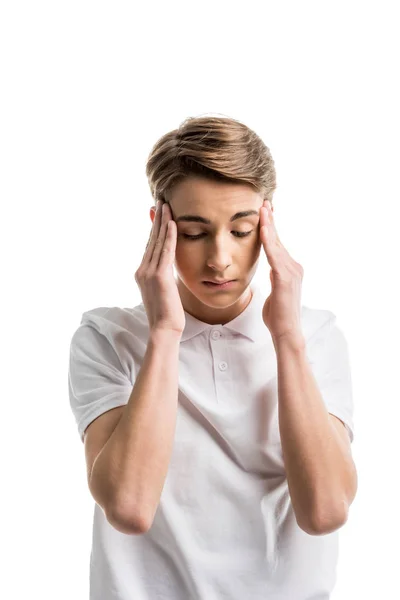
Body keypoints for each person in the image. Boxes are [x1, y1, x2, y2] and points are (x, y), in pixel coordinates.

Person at [68, 115, 357, 599]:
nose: (220, 259)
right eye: (196, 232)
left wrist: (286, 336)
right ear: (161, 226)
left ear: (267, 224)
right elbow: (129, 507)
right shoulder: (105, 337)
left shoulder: (315, 337)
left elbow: (325, 511)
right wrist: (164, 330)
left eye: (242, 230)